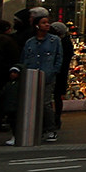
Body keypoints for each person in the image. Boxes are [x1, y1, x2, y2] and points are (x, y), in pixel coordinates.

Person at [21, 13, 69, 144]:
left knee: (45, 103)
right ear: (37, 25)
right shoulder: (30, 42)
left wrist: (54, 71)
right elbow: (25, 58)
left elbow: (59, 57)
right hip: (32, 75)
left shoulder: (55, 40)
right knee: (32, 102)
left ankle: (50, 129)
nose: (47, 25)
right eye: (43, 22)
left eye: (48, 22)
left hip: (47, 75)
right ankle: (36, 128)